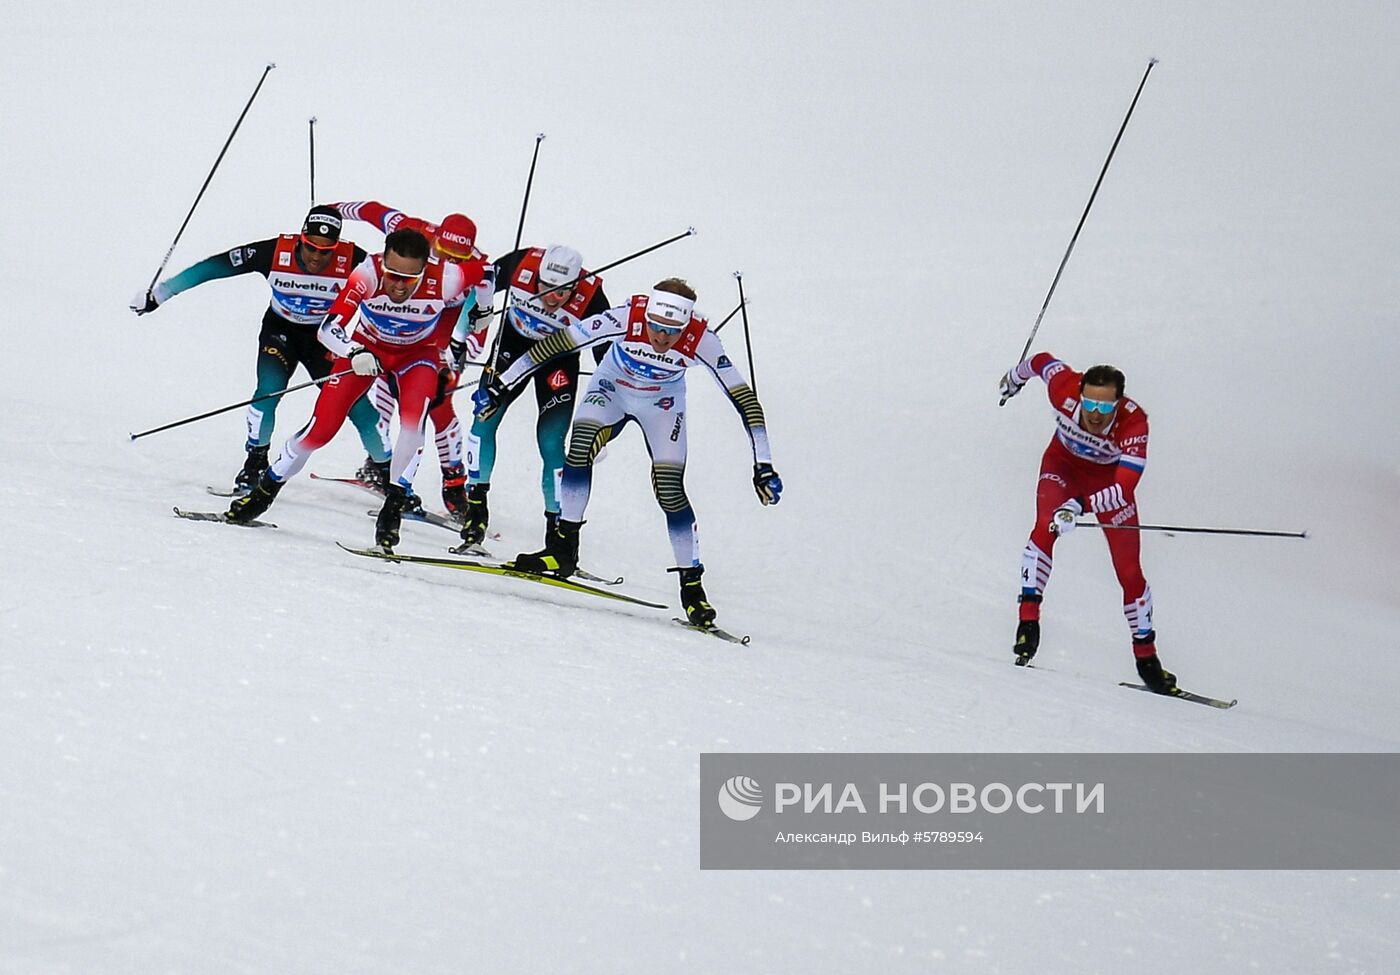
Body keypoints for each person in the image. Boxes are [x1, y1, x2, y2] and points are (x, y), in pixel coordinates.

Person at [471, 278, 782, 627]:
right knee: (580, 446)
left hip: (662, 405)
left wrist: (763, 464)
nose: (662, 337)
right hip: (611, 389)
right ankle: (562, 551)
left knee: (669, 489)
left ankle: (692, 587)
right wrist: (500, 385)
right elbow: (557, 344)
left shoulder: (702, 340)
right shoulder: (626, 317)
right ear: (646, 316)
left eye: (672, 331)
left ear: (686, 326)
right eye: (656, 326)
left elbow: (744, 399)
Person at [226, 229, 491, 550]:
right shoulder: (367, 274)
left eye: (409, 279)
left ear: (424, 269)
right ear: (384, 263)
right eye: (393, 275)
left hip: (417, 356)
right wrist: (354, 352)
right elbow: (328, 329)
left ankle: (393, 508)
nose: (399, 286)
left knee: (412, 423)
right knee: (320, 430)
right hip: (369, 349)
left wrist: (483, 310)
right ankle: (263, 493)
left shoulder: (446, 277)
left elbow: (487, 273)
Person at [129, 206, 390, 491]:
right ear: (301, 238)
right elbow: (215, 266)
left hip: (325, 339)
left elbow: (394, 295)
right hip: (281, 332)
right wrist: (160, 294)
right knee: (268, 391)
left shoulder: (355, 260)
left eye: (325, 251)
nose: (316, 257)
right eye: (310, 247)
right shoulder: (275, 252)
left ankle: (384, 473)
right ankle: (255, 463)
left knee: (358, 407)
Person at [998, 353, 1175, 693]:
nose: (1095, 413)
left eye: (1105, 407)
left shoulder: (1134, 423)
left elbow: (1123, 489)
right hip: (1062, 467)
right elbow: (1041, 361)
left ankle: (1147, 660)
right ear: (1079, 393)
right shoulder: (1063, 387)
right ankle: (1027, 626)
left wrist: (1080, 506)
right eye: (1090, 403)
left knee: (1129, 571)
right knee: (1044, 526)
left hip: (1107, 486)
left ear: (1118, 404)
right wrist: (1014, 378)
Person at [334, 200, 491, 515]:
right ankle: (380, 465)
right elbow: (372, 211)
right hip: (407, 316)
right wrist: (332, 211)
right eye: (443, 253)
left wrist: (463, 350)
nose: (449, 261)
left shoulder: (476, 269)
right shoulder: (414, 233)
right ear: (436, 240)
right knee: (384, 384)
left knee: (436, 404)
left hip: (446, 327)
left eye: (458, 258)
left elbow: (478, 326)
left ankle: (454, 482)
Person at [456, 244, 612, 549]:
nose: (552, 298)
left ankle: (557, 531)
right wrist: (461, 337)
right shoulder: (520, 263)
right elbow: (480, 285)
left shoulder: (592, 297)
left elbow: (606, 357)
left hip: (558, 361)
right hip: (512, 347)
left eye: (562, 293)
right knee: (483, 421)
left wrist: (605, 408)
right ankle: (475, 509)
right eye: (545, 288)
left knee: (551, 442)